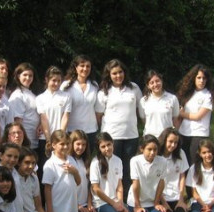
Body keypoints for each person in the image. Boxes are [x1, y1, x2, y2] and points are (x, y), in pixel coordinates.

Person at [95, 59, 142, 199]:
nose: (118, 76)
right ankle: (112, 199)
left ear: (124, 72)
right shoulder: (104, 91)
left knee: (128, 170)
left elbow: (141, 110)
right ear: (109, 75)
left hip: (131, 136)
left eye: (120, 72)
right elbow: (98, 116)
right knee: (112, 170)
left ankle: (127, 200)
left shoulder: (134, 88)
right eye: (114, 73)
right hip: (112, 137)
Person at [17, 147, 67, 212]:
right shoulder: (14, 180)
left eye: (33, 163)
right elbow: (18, 211)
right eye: (27, 162)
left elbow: (38, 206)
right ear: (19, 162)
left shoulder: (34, 178)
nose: (31, 166)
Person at [90, 132, 134, 212]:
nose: (107, 148)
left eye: (109, 144)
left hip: (115, 200)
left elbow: (119, 185)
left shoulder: (118, 160)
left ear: (113, 143)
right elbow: (96, 189)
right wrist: (113, 204)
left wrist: (120, 203)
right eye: (103, 146)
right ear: (99, 148)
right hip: (101, 202)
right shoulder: (95, 163)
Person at [42, 130, 81, 212]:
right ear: (53, 145)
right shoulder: (50, 164)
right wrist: (50, 211)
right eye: (62, 144)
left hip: (71, 208)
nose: (65, 147)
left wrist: (75, 172)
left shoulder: (71, 159)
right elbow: (47, 189)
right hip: (58, 210)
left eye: (68, 144)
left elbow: (78, 182)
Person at [127, 135, 169, 212]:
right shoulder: (135, 161)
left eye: (155, 149)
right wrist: (137, 206)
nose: (152, 152)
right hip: (138, 201)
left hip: (152, 201)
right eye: (149, 149)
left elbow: (161, 183)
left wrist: (157, 203)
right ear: (142, 149)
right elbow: (135, 183)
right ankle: (132, 211)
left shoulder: (163, 161)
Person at [176, 64, 212, 165]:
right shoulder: (187, 93)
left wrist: (183, 114)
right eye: (199, 77)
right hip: (183, 132)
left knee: (194, 163)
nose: (201, 81)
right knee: (183, 162)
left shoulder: (208, 95)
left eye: (204, 78)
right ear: (193, 78)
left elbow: (198, 116)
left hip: (199, 134)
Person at [61, 55, 99, 148]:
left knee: (87, 160)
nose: (85, 69)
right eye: (82, 65)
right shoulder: (66, 85)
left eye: (88, 66)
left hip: (91, 130)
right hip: (72, 130)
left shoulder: (94, 85)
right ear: (76, 67)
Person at [70, 130, 103, 212]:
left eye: (84, 144)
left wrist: (89, 204)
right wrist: (78, 206)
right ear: (72, 144)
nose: (81, 147)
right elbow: (68, 188)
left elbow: (89, 186)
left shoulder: (86, 161)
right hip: (74, 205)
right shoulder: (69, 161)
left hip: (85, 202)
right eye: (78, 144)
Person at [37, 66, 71, 162]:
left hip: (61, 139)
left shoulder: (66, 96)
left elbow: (65, 117)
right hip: (45, 138)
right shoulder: (40, 98)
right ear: (47, 79)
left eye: (59, 81)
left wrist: (60, 138)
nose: (56, 83)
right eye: (53, 80)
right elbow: (43, 118)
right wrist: (49, 140)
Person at [158, 128, 189, 212]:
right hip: (160, 196)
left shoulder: (180, 153)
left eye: (175, 142)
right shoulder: (156, 155)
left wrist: (181, 199)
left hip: (176, 196)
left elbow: (182, 176)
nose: (173, 145)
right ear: (164, 140)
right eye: (170, 141)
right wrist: (163, 202)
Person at [186, 139, 214, 212]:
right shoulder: (193, 169)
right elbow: (194, 193)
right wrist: (204, 205)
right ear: (200, 154)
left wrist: (210, 204)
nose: (207, 155)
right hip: (199, 201)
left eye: (209, 152)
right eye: (204, 153)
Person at [139, 70, 180, 137]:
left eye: (157, 81)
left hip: (167, 138)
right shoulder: (143, 101)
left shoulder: (172, 98)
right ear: (148, 85)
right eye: (151, 83)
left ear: (161, 81)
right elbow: (144, 120)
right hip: (150, 138)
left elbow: (175, 119)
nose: (155, 84)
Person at [9, 63, 40, 150]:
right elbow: (17, 122)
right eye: (25, 75)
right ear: (18, 76)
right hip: (25, 143)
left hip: (34, 141)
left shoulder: (30, 93)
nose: (28, 78)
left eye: (30, 75)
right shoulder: (18, 95)